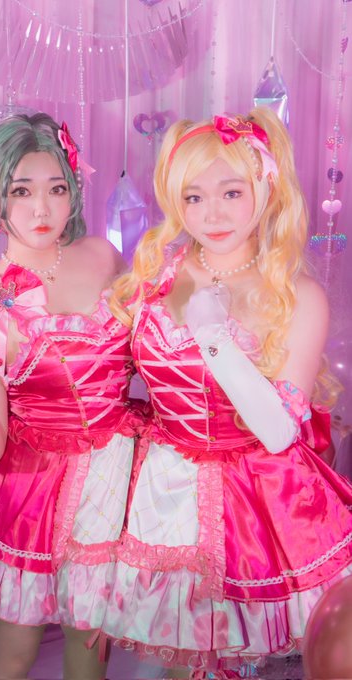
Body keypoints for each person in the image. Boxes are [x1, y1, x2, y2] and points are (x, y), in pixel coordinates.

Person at [103, 107, 352, 678]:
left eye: (231, 192)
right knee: (180, 659)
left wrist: (215, 340)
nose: (211, 214)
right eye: (193, 197)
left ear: (267, 188)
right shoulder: (154, 275)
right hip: (160, 491)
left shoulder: (298, 295)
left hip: (252, 500)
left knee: (228, 659)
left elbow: (279, 431)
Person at [0, 113, 143, 680]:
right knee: (13, 655)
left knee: (91, 648)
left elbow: (147, 354)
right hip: (34, 493)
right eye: (21, 190)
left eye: (56, 189)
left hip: (120, 475)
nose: (42, 209)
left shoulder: (103, 256)